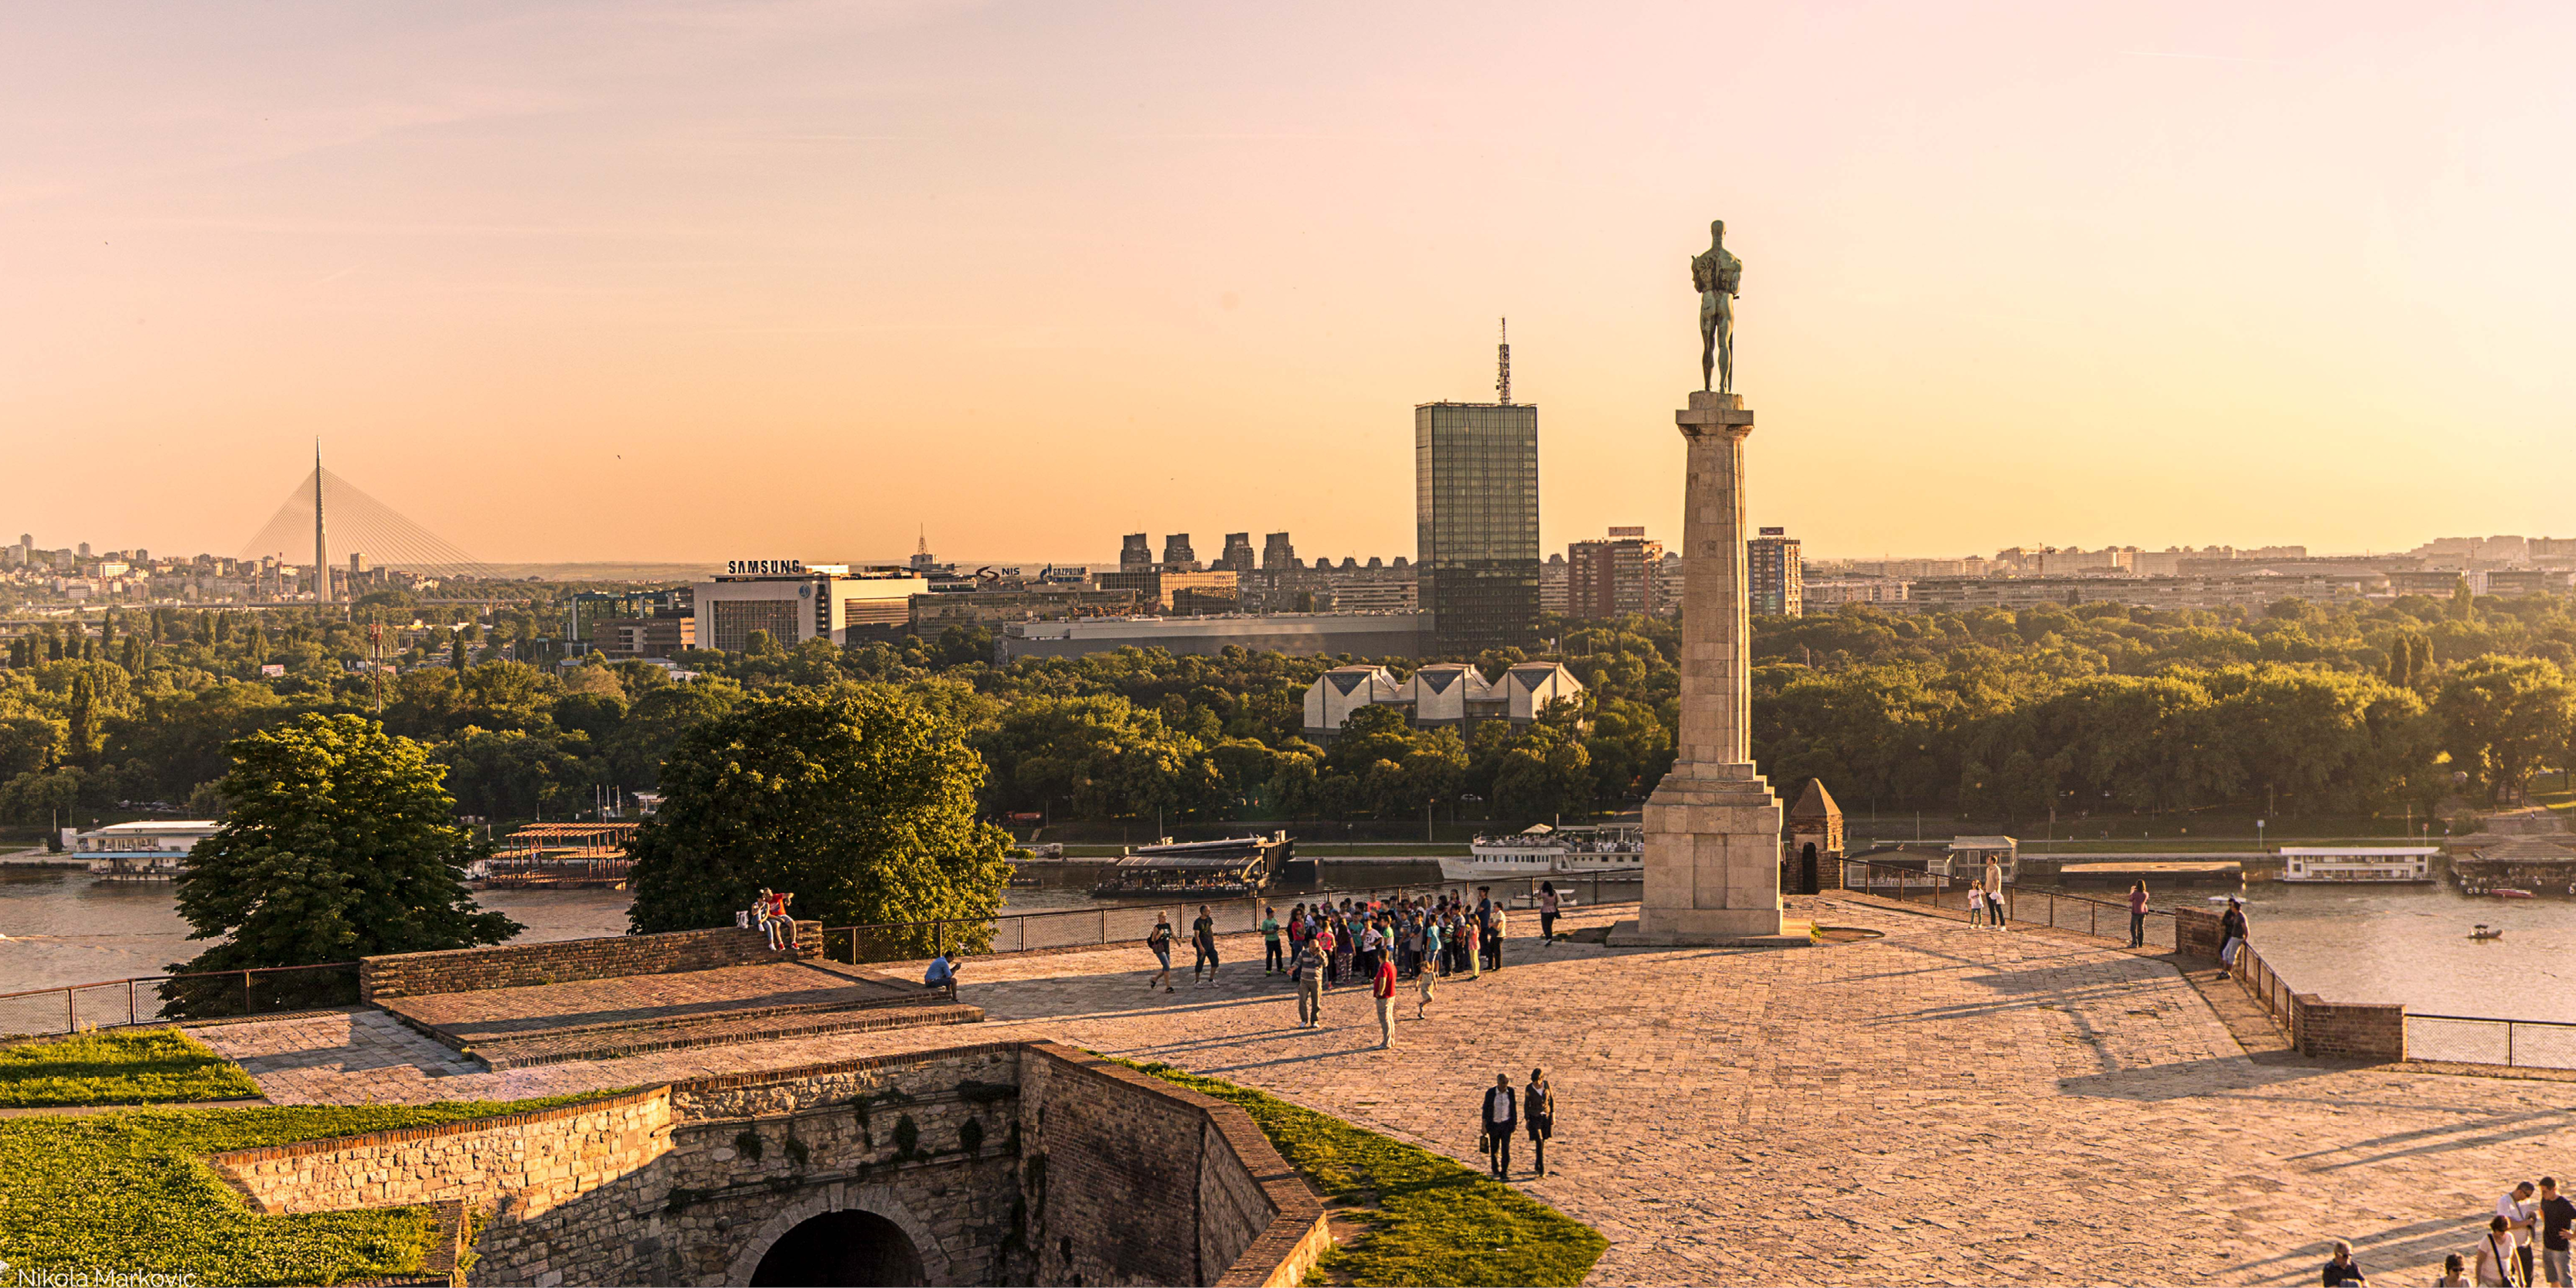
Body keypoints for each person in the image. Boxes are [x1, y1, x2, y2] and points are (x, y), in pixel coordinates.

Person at [2537, 1177, 2573, 1288]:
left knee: (2565, 1282)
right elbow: (2542, 1212)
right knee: (2553, 1280)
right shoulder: (2545, 1200)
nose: (2543, 1194)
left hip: (2560, 1249)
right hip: (2547, 1246)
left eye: (2545, 1191)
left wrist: (2572, 1235)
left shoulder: (2564, 1204)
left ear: (2553, 1189)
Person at [2503, 1183, 2540, 1286]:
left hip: (2525, 1245)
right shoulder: (2504, 1201)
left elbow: (2524, 1215)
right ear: (2520, 1191)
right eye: (2527, 1195)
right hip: (2511, 1246)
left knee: (2528, 1278)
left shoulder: (2525, 1201)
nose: (2528, 1198)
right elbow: (2507, 1224)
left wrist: (2532, 1216)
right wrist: (2525, 1223)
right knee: (2508, 1279)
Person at [1481, 1073, 1516, 1179]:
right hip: (1494, 1125)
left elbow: (1513, 1108)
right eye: (1503, 1083)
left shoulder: (1511, 1092)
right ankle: (1495, 1168)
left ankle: (1504, 1171)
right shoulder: (1491, 1093)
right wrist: (1484, 1126)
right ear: (1498, 1082)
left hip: (1506, 1124)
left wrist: (1514, 1123)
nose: (1505, 1085)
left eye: (1506, 1082)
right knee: (1494, 1148)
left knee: (1506, 1149)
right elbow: (1486, 1110)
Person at [1524, 1067, 1555, 1178]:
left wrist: (1553, 1114)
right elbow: (1526, 1104)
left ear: (1542, 1079)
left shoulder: (1546, 1085)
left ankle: (1537, 1163)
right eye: (1534, 1081)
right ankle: (1542, 1168)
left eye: (1538, 1081)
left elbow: (1551, 1099)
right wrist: (1527, 1119)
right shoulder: (1529, 1088)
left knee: (1543, 1141)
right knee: (1539, 1140)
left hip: (1545, 1117)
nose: (1536, 1083)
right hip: (1534, 1117)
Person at [2479, 1215, 2526, 1287]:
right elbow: (2479, 1263)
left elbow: (2515, 1258)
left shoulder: (2510, 1237)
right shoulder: (2486, 1241)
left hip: (2505, 1280)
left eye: (2506, 1230)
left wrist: (2521, 1277)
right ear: (2495, 1229)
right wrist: (2478, 1284)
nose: (2504, 1233)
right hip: (2490, 1282)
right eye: (2501, 1231)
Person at [1293, 934, 1326, 1028]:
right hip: (1304, 980)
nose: (1313, 949)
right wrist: (1292, 969)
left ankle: (1314, 1020)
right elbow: (1297, 962)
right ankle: (1304, 1020)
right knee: (1302, 1001)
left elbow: (1325, 964)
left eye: (1315, 947)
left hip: (1316, 980)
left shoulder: (1322, 954)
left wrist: (1319, 954)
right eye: (1311, 947)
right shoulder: (1303, 953)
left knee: (1316, 1002)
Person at [1371, 950, 1397, 1049]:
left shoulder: (1383, 967)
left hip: (1384, 996)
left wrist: (1380, 992)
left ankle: (1386, 1042)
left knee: (1384, 1019)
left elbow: (1383, 979)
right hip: (1391, 994)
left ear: (1379, 957)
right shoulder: (1391, 965)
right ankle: (1392, 1040)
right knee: (1390, 1018)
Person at [1145, 913, 1176, 994]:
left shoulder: (1168, 925)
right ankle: (1168, 987)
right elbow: (1153, 940)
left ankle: (1154, 979)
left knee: (1166, 968)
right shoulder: (1157, 927)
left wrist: (1177, 941)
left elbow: (1172, 934)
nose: (1164, 918)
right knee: (1167, 967)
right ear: (1159, 918)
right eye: (1163, 917)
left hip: (1167, 949)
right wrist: (1159, 934)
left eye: (1165, 917)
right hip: (1160, 949)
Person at [1193, 905, 1220, 987]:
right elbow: (1196, 936)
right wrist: (1200, 947)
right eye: (1208, 911)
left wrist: (1212, 941)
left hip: (1210, 946)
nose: (1209, 912)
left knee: (1215, 962)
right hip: (1202, 946)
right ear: (1203, 912)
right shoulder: (1197, 922)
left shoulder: (1209, 919)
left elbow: (1210, 930)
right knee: (1200, 963)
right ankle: (1197, 981)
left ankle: (1211, 980)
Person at [2220, 898, 2250, 968]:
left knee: (2231, 956)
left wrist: (2245, 938)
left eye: (2232, 906)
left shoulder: (2241, 917)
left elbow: (2245, 928)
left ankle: (2228, 972)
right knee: (2225, 952)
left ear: (2235, 908)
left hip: (2237, 938)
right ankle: (2225, 970)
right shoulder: (2235, 915)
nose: (2231, 908)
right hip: (2232, 937)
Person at [2127, 880, 2150, 949]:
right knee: (2141, 928)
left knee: (2133, 928)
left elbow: (2130, 899)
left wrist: (2131, 890)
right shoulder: (2146, 894)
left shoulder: (2135, 893)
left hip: (2136, 912)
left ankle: (2134, 942)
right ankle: (2141, 943)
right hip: (2143, 912)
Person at [1261, 906, 1284, 975]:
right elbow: (1263, 932)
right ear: (1270, 913)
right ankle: (1268, 969)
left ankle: (1280, 967)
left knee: (1279, 954)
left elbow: (1276, 928)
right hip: (1269, 940)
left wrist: (1277, 928)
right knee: (1269, 955)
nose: (1274, 914)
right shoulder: (1265, 922)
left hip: (1276, 939)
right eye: (1273, 912)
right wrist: (1271, 932)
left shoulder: (1274, 920)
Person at [1486, 902, 1508, 972]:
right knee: (1490, 950)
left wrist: (1491, 924)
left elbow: (1497, 925)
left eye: (1495, 907)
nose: (1494, 908)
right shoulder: (1495, 914)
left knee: (1497, 951)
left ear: (1499, 908)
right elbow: (1490, 922)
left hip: (1499, 935)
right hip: (1494, 934)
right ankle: (1490, 965)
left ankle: (1498, 966)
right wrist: (1492, 924)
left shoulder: (1501, 915)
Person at [1539, 882, 1560, 946]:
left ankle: (1548, 938)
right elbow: (1556, 901)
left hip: (1545, 910)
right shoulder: (1554, 893)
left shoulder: (1544, 893)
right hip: (1553, 910)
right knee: (1549, 926)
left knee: (1545, 926)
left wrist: (1540, 889)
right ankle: (1550, 938)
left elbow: (1538, 897)